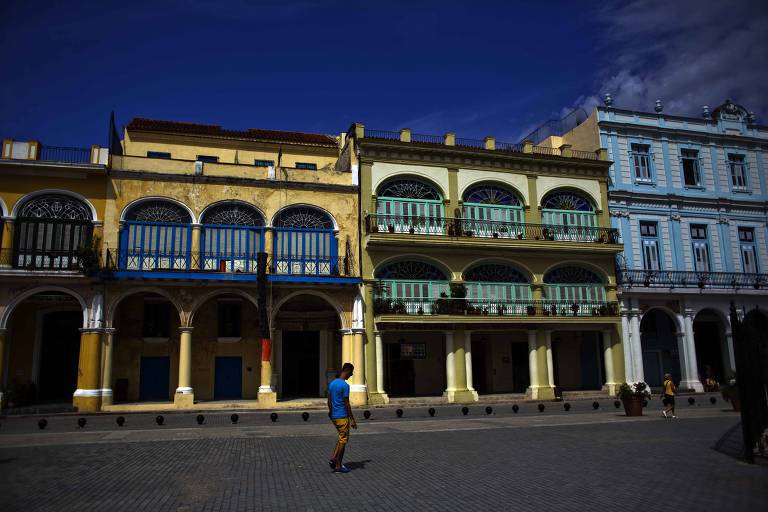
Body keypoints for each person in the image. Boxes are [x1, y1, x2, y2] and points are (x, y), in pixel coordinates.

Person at [327, 362, 357, 473]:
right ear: (347, 371)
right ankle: (337, 464)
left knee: (341, 438)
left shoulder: (332, 384)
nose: (351, 375)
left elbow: (329, 401)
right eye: (351, 372)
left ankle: (335, 460)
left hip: (334, 416)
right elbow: (347, 404)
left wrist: (331, 412)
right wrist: (352, 419)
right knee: (343, 441)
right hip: (342, 416)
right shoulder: (345, 386)